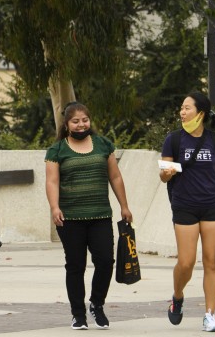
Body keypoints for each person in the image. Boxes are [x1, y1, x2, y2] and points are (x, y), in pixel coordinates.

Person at [45, 101, 132, 330]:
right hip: (70, 218)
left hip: (100, 215)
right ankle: (78, 314)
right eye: (75, 121)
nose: (81, 125)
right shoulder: (57, 150)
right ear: (66, 124)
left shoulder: (103, 145)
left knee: (105, 261)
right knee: (75, 266)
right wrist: (55, 207)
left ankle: (97, 304)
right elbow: (52, 181)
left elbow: (115, 177)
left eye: (85, 120)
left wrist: (124, 205)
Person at [160, 91, 215, 333]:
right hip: (184, 205)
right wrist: (166, 173)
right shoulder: (173, 140)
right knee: (186, 263)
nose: (182, 112)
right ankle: (177, 296)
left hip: (212, 207)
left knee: (212, 263)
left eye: (187, 108)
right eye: (181, 108)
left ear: (201, 113)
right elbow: (163, 175)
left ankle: (210, 315)